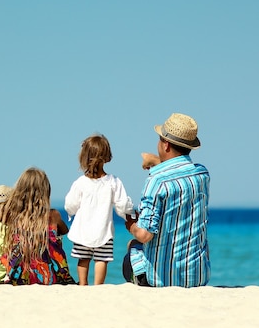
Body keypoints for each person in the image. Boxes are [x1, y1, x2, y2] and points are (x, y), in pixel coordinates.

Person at [123, 113, 211, 287]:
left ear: (166, 144)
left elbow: (145, 235)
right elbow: (180, 170)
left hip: (162, 280)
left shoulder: (156, 182)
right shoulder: (202, 174)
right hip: (198, 277)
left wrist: (131, 224)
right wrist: (157, 161)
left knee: (132, 246)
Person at [64, 133, 134, 285]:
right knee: (102, 259)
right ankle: (98, 286)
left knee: (83, 259)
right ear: (107, 157)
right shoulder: (113, 181)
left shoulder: (80, 182)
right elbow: (122, 204)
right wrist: (129, 213)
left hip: (83, 230)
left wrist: (71, 212)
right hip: (104, 230)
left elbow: (70, 204)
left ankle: (82, 284)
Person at [0, 167, 75, 285]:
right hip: (48, 276)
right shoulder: (53, 215)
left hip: (18, 275)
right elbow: (64, 231)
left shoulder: (12, 215)